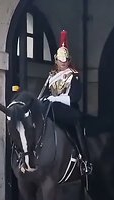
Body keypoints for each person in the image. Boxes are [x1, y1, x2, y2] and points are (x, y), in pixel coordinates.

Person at [40, 30, 92, 175]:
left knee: (76, 125)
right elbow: (45, 94)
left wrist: (54, 99)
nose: (62, 64)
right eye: (60, 61)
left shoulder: (73, 76)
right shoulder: (51, 76)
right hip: (52, 108)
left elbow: (74, 97)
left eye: (65, 61)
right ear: (56, 60)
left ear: (68, 61)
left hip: (68, 109)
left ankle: (85, 159)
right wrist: (44, 100)